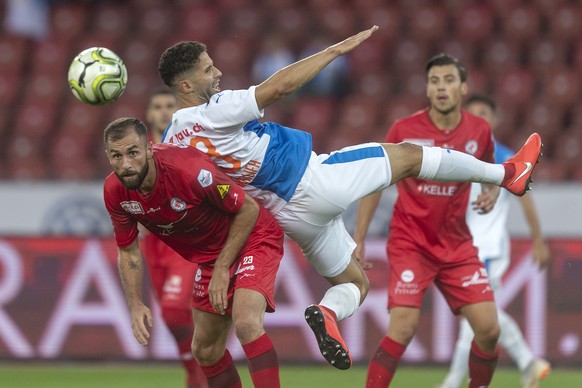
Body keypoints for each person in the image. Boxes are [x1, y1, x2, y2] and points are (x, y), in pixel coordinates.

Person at [157, 27, 542, 370]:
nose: (218, 73)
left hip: (288, 219)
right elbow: (277, 89)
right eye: (208, 70)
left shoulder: (173, 143)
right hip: (312, 182)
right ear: (186, 87)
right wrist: (331, 53)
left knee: (355, 284)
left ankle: (326, 311)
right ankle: (507, 174)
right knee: (409, 155)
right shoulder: (214, 110)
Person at [353, 54, 533, 387]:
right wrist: (360, 238)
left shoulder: (479, 131)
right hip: (411, 244)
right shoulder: (404, 130)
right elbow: (373, 181)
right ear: (427, 88)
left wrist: (491, 194)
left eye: (449, 80)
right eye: (434, 81)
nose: (441, 88)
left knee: (489, 330)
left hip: (456, 246)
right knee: (403, 328)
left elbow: (492, 174)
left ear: (463, 88)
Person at [103, 117, 284, 387]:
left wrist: (222, 268)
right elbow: (128, 252)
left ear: (149, 148)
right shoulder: (115, 192)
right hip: (212, 258)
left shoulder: (188, 170)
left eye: (133, 153)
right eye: (117, 156)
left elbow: (248, 209)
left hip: (253, 237)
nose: (126, 164)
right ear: (108, 156)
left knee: (246, 324)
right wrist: (134, 303)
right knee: (205, 350)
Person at [439, 94, 551, 388]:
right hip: (466, 247)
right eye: (473, 113)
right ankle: (529, 362)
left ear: (494, 119)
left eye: (484, 113)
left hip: (486, 248)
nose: (479, 118)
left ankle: (452, 381)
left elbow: (525, 198)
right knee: (481, 313)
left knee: (471, 314)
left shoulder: (503, 155)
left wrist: (538, 239)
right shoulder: (459, 153)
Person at [140, 89, 206, 388]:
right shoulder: (136, 156)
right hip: (153, 246)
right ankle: (197, 371)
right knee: (173, 318)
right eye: (158, 106)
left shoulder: (188, 146)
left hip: (185, 244)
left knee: (174, 309)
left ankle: (198, 373)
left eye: (170, 105)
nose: (164, 111)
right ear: (149, 115)